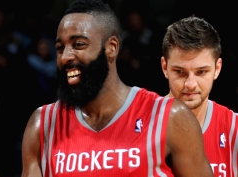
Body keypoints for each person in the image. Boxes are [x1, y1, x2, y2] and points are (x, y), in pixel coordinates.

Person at [21, 0, 213, 176]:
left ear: (111, 47)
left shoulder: (169, 117)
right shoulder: (43, 125)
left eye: (79, 44)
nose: (65, 57)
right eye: (60, 48)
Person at [160, 16, 238, 176]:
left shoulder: (233, 129)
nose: (190, 84)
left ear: (217, 68)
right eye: (180, 72)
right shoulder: (137, 127)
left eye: (201, 72)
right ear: (165, 67)